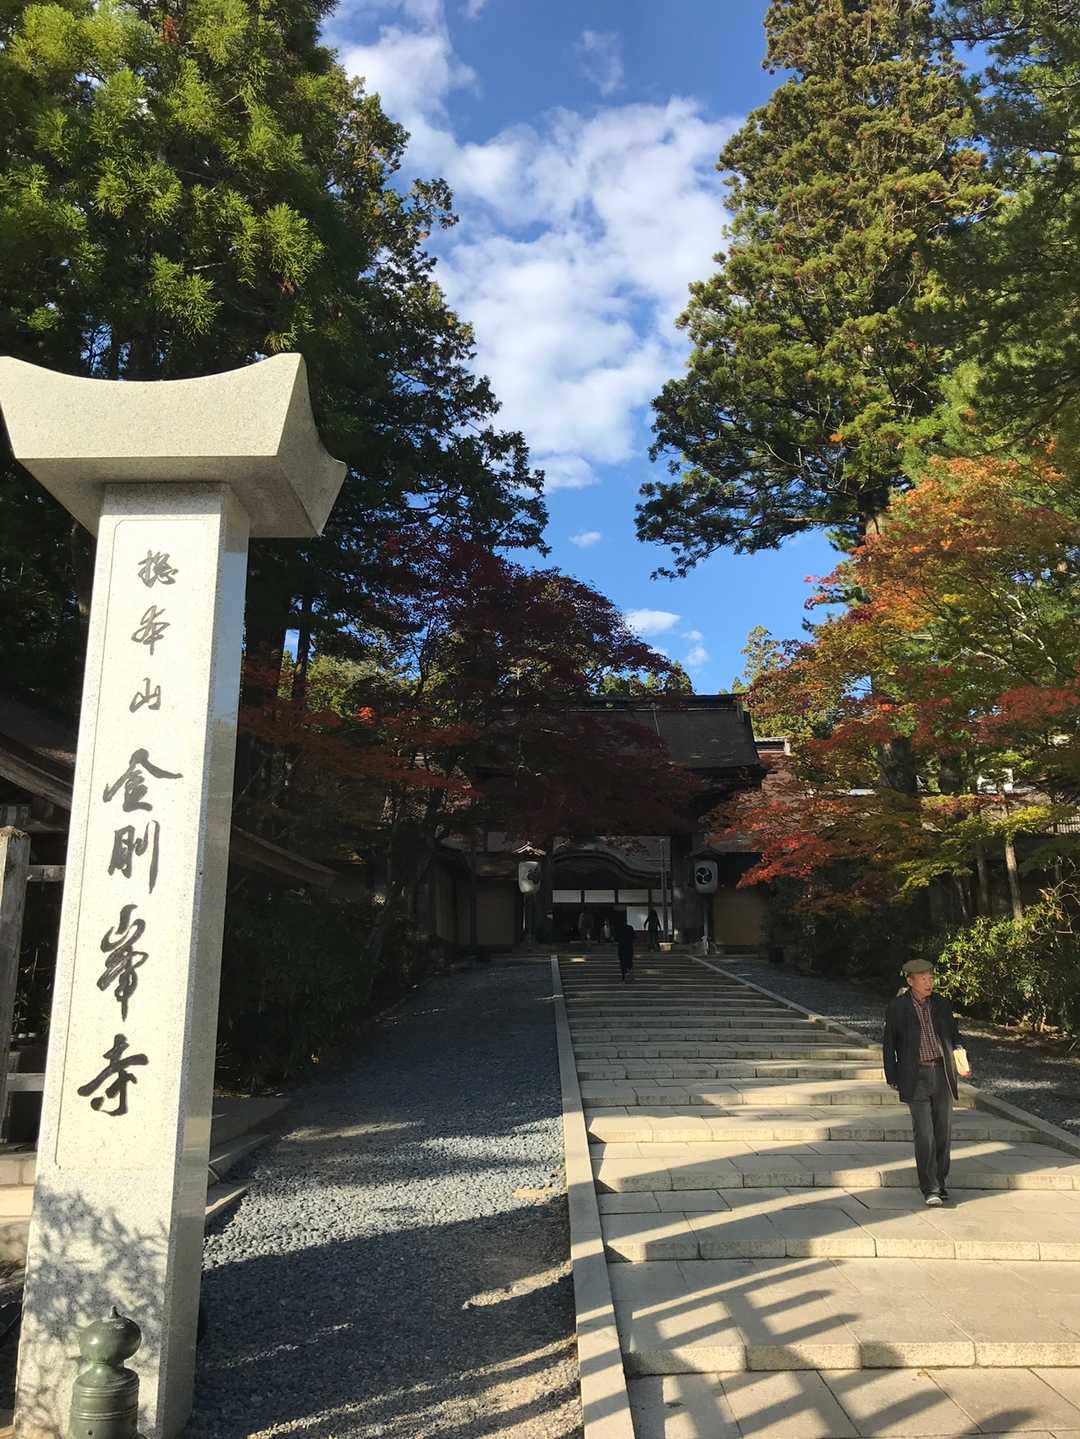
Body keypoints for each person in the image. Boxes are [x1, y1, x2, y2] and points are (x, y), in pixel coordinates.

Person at [883, 958, 964, 1207]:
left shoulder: (941, 1003)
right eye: (923, 978)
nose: (929, 982)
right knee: (925, 1133)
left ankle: (940, 1181)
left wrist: (960, 1053)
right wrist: (893, 1076)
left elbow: (954, 1035)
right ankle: (930, 1188)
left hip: (942, 1072)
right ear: (911, 981)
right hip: (915, 1075)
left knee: (943, 1132)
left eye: (931, 977)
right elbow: (889, 1043)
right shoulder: (898, 1007)